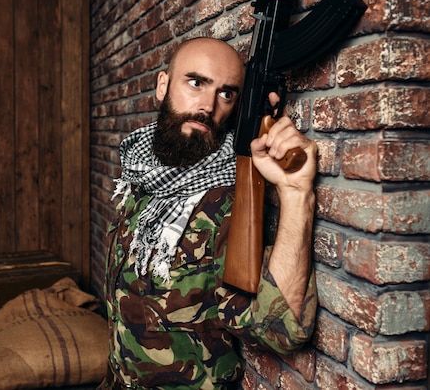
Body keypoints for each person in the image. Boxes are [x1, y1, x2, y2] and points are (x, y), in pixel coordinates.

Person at [100, 37, 318, 389]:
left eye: (226, 94)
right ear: (163, 85)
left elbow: (281, 331)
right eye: (196, 82)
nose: (207, 105)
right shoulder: (139, 175)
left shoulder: (225, 204)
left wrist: (296, 195)